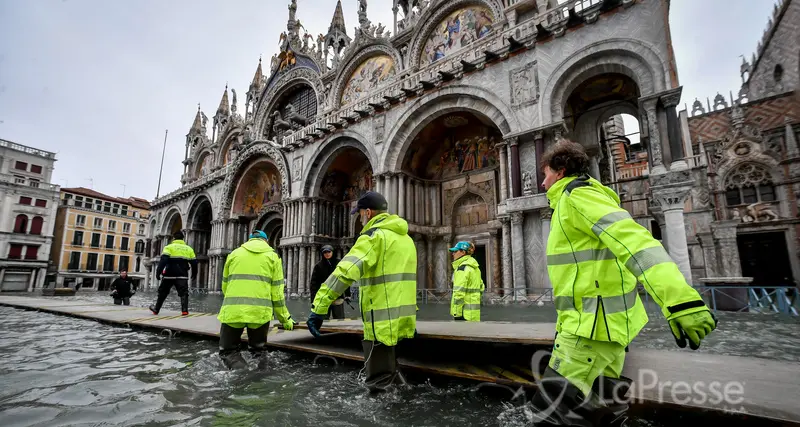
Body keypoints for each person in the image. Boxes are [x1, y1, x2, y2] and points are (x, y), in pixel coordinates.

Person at [531, 140, 718, 426]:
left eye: (544, 175)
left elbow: (637, 243)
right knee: (605, 411)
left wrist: (682, 300)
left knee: (550, 415)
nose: (542, 184)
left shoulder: (576, 198)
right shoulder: (584, 198)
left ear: (560, 170)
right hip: (607, 330)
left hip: (588, 330)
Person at [306, 191, 417, 392]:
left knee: (378, 385)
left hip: (381, 323)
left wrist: (319, 307)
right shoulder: (406, 239)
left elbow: (344, 273)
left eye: (361, 213)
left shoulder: (374, 236)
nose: (361, 217)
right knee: (392, 374)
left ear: (368, 212)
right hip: (403, 322)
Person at [217, 230, 295, 369]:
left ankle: (241, 372)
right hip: (260, 313)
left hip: (233, 311)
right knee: (258, 351)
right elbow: (277, 294)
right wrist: (285, 319)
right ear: (266, 241)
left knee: (228, 352)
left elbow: (224, 286)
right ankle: (261, 377)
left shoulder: (234, 254)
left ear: (249, 240)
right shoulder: (273, 257)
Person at [149, 230, 197, 316]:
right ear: (183, 238)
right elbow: (194, 263)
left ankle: (156, 309)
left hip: (169, 275)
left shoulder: (169, 247)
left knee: (163, 292)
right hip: (182, 275)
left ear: (173, 238)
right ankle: (184, 311)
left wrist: (158, 272)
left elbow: (163, 260)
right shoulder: (189, 249)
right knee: (184, 293)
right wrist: (194, 273)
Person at [309, 245, 352, 320]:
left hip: (337, 297)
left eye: (329, 251)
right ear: (322, 254)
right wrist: (313, 300)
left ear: (332, 252)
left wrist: (347, 295)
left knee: (340, 320)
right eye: (325, 252)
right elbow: (314, 284)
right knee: (323, 320)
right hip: (324, 298)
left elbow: (345, 279)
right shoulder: (318, 266)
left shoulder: (339, 263)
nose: (327, 254)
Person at [449, 241, 485, 321]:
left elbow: (458, 293)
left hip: (463, 314)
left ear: (463, 252)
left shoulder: (462, 269)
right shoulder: (475, 268)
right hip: (474, 313)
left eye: (455, 251)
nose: (453, 254)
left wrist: (457, 314)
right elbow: (481, 287)